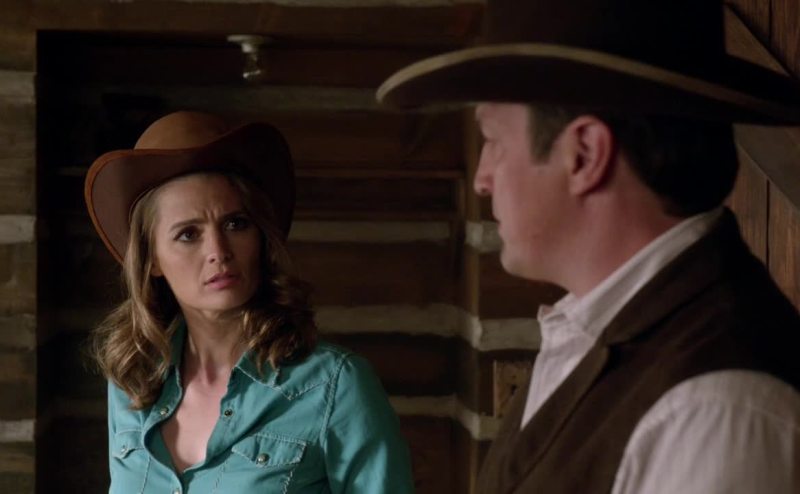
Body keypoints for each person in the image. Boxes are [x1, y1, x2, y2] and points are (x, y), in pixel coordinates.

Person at [378, 0, 800, 492]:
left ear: (584, 154)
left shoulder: (716, 409)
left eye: (494, 141)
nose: (482, 179)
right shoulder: (595, 330)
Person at [85, 111, 414, 493]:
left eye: (235, 224)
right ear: (152, 259)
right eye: (188, 234)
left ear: (260, 237)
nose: (218, 251)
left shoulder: (336, 386)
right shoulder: (132, 378)